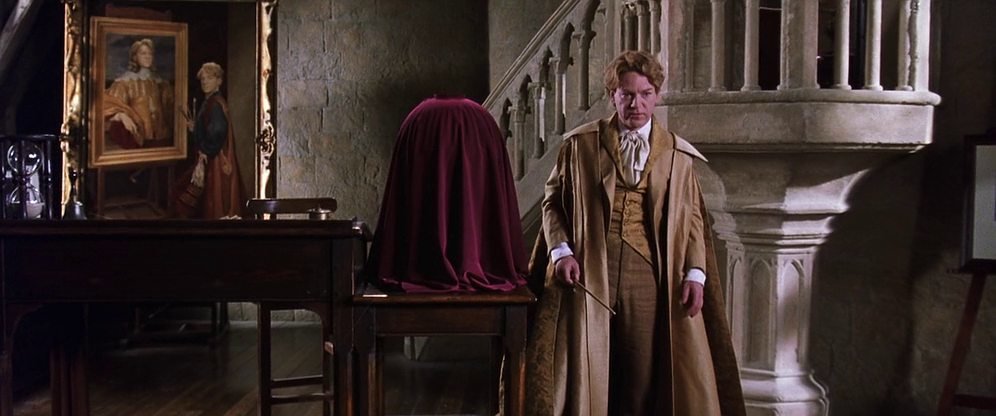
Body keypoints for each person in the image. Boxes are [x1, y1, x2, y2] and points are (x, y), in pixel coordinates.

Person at [524, 51, 746, 415]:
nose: (636, 104)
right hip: (592, 269)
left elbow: (693, 220)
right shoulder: (580, 145)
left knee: (641, 374)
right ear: (612, 95)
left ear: (657, 96)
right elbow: (553, 203)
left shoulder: (676, 154)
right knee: (593, 368)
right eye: (627, 94)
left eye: (645, 94)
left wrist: (695, 274)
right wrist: (561, 252)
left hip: (649, 275)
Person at [173, 62, 244, 219]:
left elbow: (217, 131)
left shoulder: (215, 104)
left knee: (211, 197)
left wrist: (205, 151)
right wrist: (196, 127)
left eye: (209, 78)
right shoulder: (211, 101)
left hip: (216, 159)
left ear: (219, 81)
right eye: (203, 79)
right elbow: (209, 128)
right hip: (212, 157)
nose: (205, 82)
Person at [103, 38, 174, 149]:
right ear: (135, 57)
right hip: (138, 138)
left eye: (150, 53)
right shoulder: (124, 82)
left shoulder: (160, 83)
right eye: (143, 53)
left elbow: (170, 109)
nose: (147, 56)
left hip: (162, 139)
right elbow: (110, 105)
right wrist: (121, 116)